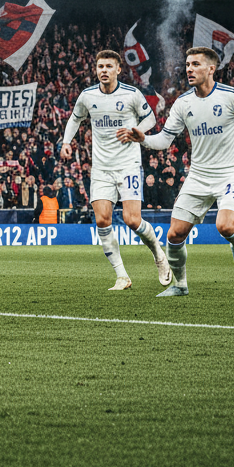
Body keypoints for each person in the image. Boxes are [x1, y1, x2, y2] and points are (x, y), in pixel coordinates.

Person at [119, 46, 234, 297]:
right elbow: (164, 141)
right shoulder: (183, 103)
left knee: (224, 226)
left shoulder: (232, 96)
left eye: (195, 64)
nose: (189, 69)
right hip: (199, 176)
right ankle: (180, 285)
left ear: (211, 69)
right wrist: (143, 139)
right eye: (188, 64)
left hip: (231, 173)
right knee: (175, 233)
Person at [60, 49, 171, 291]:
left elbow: (150, 118)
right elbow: (75, 119)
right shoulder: (87, 96)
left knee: (133, 220)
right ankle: (122, 276)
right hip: (101, 168)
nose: (104, 71)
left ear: (119, 70)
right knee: (102, 220)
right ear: (96, 69)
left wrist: (136, 130)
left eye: (109, 66)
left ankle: (159, 255)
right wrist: (67, 142)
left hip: (128, 166)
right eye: (100, 66)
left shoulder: (131, 94)